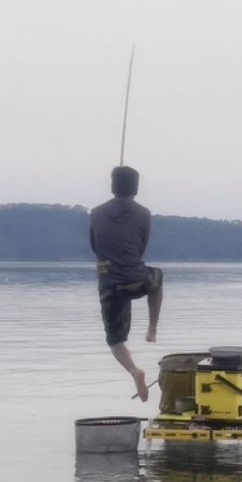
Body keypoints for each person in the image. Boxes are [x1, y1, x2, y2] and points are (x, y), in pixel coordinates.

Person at [90, 165, 164, 401]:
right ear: (136, 188)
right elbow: (141, 247)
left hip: (110, 285)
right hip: (137, 280)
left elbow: (95, 246)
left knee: (115, 340)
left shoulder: (96, 212)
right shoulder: (143, 213)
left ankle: (134, 370)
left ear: (113, 186)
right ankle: (152, 329)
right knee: (158, 276)